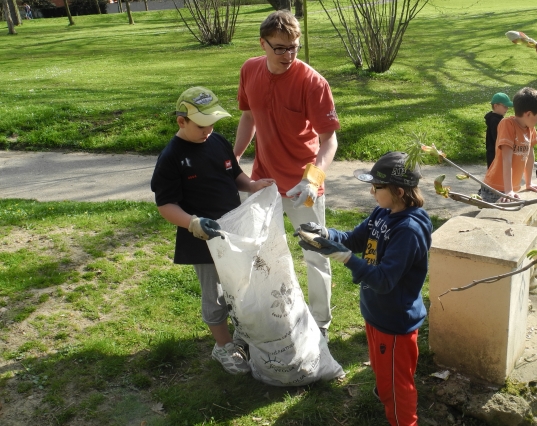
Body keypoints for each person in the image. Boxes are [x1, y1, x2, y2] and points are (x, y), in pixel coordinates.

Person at [296, 152, 432, 426]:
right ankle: (386, 391)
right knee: (386, 377)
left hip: (394, 323)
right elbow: (355, 239)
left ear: (399, 191)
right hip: (376, 314)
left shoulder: (408, 230)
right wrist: (326, 235)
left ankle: (404, 420)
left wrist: (343, 257)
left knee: (398, 387)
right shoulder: (383, 212)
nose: (371, 191)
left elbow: (383, 280)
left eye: (376, 187)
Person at [150, 86, 275, 374]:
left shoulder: (217, 141)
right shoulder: (172, 158)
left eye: (212, 123)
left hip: (234, 230)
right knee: (215, 294)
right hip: (202, 240)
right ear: (181, 121)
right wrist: (193, 223)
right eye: (202, 125)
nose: (209, 130)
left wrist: (253, 185)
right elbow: (166, 205)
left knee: (240, 286)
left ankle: (243, 335)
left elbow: (234, 175)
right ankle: (223, 347)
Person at [233, 10, 340, 339]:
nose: (288, 55)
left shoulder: (312, 82)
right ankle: (271, 316)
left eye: (294, 46)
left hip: (303, 186)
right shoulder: (250, 70)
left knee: (315, 254)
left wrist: (315, 179)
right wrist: (233, 157)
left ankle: (320, 323)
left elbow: (329, 141)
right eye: (280, 48)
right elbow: (249, 118)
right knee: (262, 254)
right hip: (263, 181)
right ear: (262, 44)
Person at [481, 87, 537, 203]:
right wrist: (508, 190)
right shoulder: (507, 124)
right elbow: (506, 159)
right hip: (496, 189)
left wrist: (529, 183)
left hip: (511, 189)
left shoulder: (530, 128)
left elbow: (530, 155)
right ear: (528, 114)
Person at [485, 92, 513, 168]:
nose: (507, 109)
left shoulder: (497, 118)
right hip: (495, 153)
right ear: (496, 106)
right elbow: (498, 137)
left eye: (508, 107)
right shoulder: (494, 120)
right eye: (505, 106)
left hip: (496, 152)